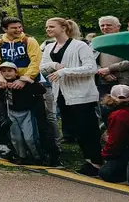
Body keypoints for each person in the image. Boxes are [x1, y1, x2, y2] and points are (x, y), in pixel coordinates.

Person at [39, 17, 101, 176]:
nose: (48, 29)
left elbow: (91, 68)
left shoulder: (80, 46)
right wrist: (54, 66)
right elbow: (43, 66)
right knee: (76, 131)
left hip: (82, 94)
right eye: (47, 27)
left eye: (51, 26)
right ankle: (88, 160)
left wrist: (64, 71)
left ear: (63, 27)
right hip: (61, 94)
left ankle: (96, 162)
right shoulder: (49, 47)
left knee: (87, 129)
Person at [0, 62, 46, 163]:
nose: (7, 73)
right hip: (11, 112)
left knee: (30, 137)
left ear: (16, 72)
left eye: (10, 71)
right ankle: (21, 156)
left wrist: (29, 81)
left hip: (26, 112)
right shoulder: (1, 83)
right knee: (16, 137)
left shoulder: (22, 82)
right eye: (4, 71)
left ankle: (38, 157)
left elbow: (41, 90)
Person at [98, 84, 129, 185]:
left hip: (126, 147)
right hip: (127, 147)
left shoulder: (118, 116)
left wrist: (105, 155)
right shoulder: (120, 114)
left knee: (107, 173)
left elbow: (114, 141)